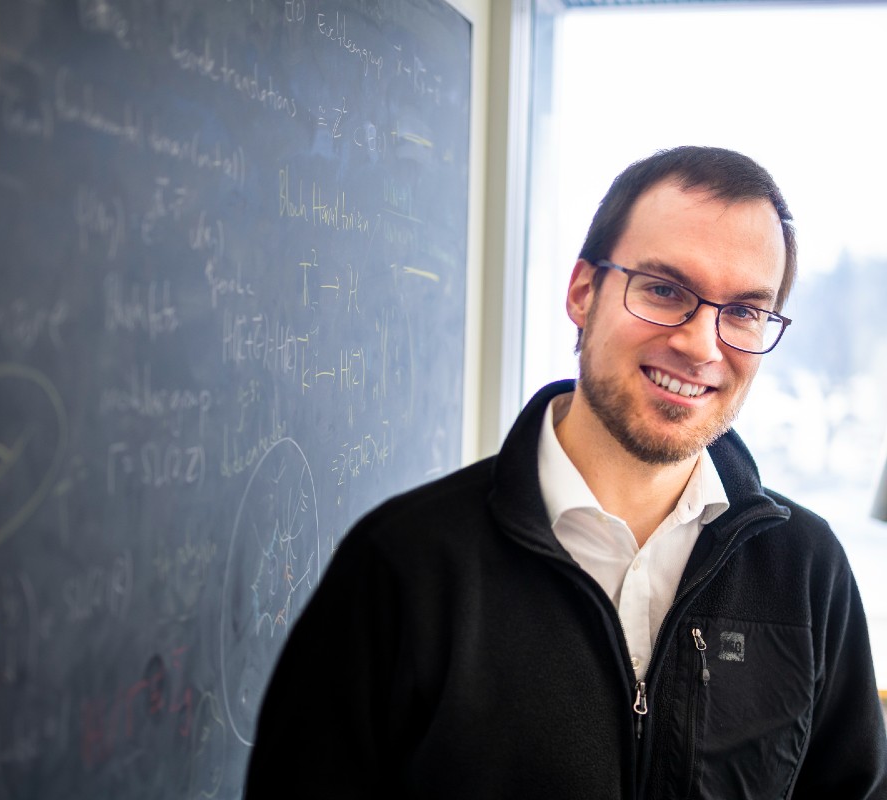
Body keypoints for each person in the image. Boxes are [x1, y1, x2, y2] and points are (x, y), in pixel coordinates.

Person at [245, 146, 887, 798]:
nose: (700, 345)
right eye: (665, 291)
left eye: (745, 311)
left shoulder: (808, 573)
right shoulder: (403, 565)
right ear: (583, 293)